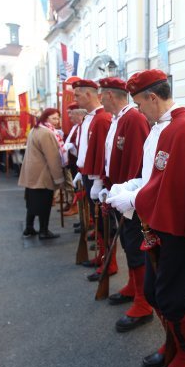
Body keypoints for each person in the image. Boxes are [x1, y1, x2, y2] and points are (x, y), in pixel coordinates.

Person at [106, 69, 185, 367]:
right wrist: (134, 186)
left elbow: (172, 187)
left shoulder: (182, 128)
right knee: (154, 292)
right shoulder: (163, 127)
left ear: (152, 97)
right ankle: (173, 342)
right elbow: (154, 177)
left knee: (169, 296)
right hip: (162, 222)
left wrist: (134, 199)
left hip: (180, 226)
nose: (139, 111)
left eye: (139, 104)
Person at [96, 76, 153, 333]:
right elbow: (112, 158)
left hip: (130, 197)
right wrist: (107, 185)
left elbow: (136, 162)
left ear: (109, 95)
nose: (99, 99)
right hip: (120, 194)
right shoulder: (120, 119)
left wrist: (125, 197)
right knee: (130, 246)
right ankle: (133, 286)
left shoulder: (133, 118)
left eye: (101, 94)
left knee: (135, 245)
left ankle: (143, 302)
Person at [71, 79, 117, 280]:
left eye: (77, 95)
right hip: (88, 174)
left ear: (88, 94)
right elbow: (87, 150)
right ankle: (102, 255)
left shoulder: (101, 119)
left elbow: (102, 153)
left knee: (105, 223)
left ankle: (110, 261)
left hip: (97, 178)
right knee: (98, 223)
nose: (75, 99)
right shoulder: (90, 118)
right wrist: (81, 171)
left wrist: (98, 180)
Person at [18, 108, 66, 239]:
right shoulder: (47, 133)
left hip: (32, 173)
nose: (56, 121)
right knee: (44, 203)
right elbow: (53, 158)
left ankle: (29, 227)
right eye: (53, 118)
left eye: (57, 118)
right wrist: (59, 179)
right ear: (46, 119)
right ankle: (43, 231)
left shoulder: (36, 129)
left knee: (32, 202)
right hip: (42, 174)